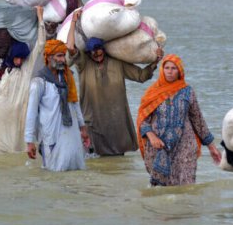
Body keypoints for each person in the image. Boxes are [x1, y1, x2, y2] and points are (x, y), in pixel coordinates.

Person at [66, 9, 163, 156]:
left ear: (104, 50)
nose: (96, 54)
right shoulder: (83, 64)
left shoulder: (117, 63)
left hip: (116, 120)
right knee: (92, 158)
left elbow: (141, 76)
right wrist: (73, 21)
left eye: (99, 50)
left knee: (117, 158)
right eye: (93, 51)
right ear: (88, 53)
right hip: (92, 120)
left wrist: (155, 61)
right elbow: (70, 47)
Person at [137, 54, 221, 186]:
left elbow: (198, 120)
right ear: (162, 70)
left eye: (174, 68)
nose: (170, 71)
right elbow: (142, 119)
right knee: (159, 191)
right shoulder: (152, 92)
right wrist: (151, 136)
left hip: (185, 146)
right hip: (158, 146)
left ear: (180, 71)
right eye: (167, 68)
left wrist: (212, 147)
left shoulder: (187, 92)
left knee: (186, 186)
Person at [0, 6, 45, 155]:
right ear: (11, 55)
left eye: (22, 58)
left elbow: (41, 44)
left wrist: (40, 17)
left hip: (14, 116)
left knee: (14, 149)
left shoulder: (26, 67)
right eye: (18, 57)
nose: (19, 61)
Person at [24, 39, 90, 171]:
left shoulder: (68, 77)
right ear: (48, 57)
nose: (63, 60)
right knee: (52, 171)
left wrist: (82, 127)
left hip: (70, 131)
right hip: (50, 133)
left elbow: (75, 103)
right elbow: (31, 112)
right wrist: (29, 141)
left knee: (73, 168)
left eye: (63, 56)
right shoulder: (39, 82)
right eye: (59, 56)